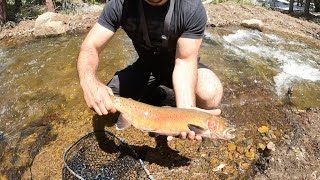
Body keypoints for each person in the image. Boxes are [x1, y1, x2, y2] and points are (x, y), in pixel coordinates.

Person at [77, 0, 223, 142]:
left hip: (176, 66)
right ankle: (154, 93)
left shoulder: (190, 7)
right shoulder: (120, 4)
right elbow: (90, 46)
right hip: (145, 66)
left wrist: (186, 113)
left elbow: (184, 61)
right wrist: (89, 81)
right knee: (104, 102)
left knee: (210, 92)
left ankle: (168, 111)